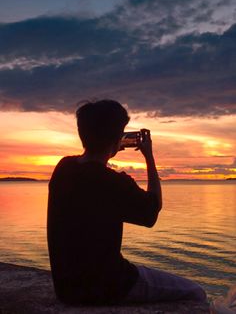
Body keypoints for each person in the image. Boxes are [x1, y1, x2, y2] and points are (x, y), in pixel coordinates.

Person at [47, 99, 207, 305]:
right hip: (111, 286)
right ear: (116, 138)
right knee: (196, 292)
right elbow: (152, 212)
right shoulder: (114, 183)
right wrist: (149, 156)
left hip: (67, 290)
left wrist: (110, 147)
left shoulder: (63, 168)